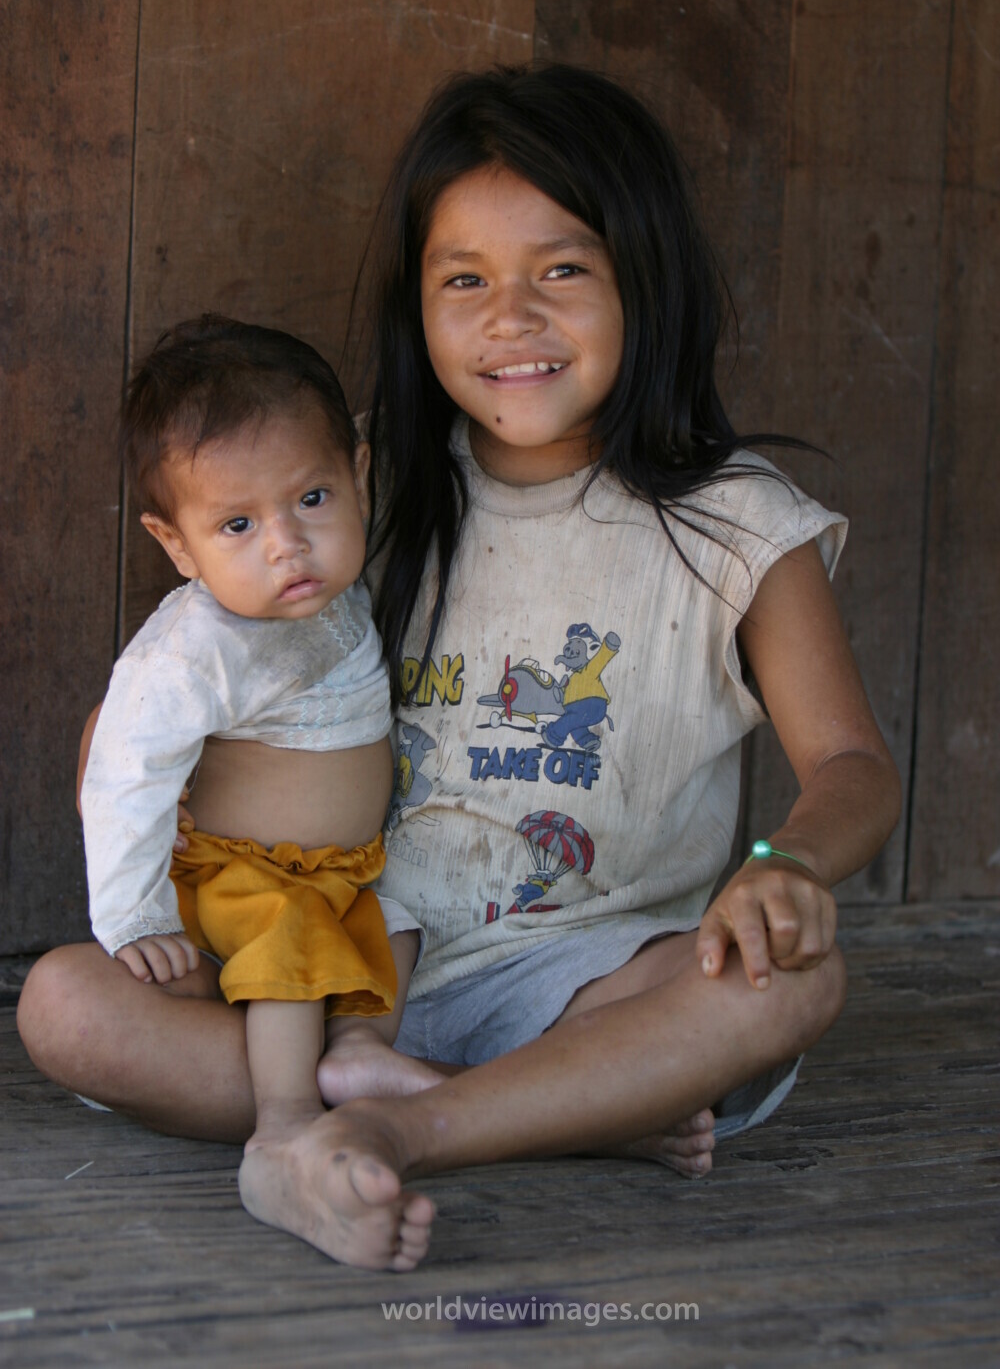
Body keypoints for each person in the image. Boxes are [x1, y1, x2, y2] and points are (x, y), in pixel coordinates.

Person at [18, 65, 901, 1274]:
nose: (511, 318)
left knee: (786, 983)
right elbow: (191, 684)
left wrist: (784, 866)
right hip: (338, 971)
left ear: (646, 275)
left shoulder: (736, 527)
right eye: (465, 279)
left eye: (563, 270)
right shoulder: (355, 493)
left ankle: (387, 1128)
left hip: (590, 983)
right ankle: (558, 1116)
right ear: (417, 302)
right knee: (63, 1004)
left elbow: (849, 762)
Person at [75, 316, 424, 1228]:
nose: (286, 545)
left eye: (311, 499)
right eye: (237, 524)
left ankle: (357, 1052)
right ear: (180, 546)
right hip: (246, 876)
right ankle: (283, 1126)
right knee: (284, 955)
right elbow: (125, 774)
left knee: (413, 924)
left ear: (358, 474)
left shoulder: (340, 594)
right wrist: (134, 917)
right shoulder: (196, 649)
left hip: (345, 873)